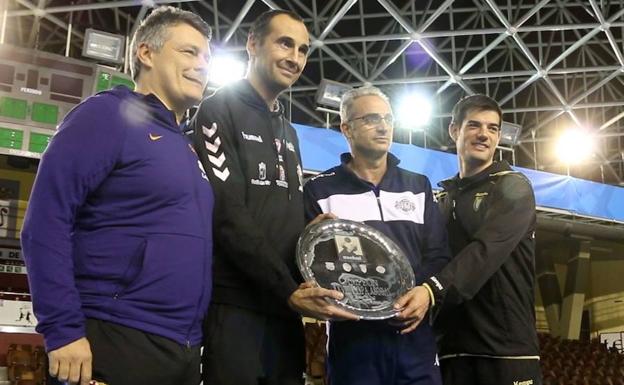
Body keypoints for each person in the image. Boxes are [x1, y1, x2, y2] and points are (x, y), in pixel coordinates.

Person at [21, 6, 214, 385]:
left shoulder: (188, 148)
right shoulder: (106, 115)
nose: (202, 65)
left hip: (183, 347)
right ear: (146, 53)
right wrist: (64, 329)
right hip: (113, 335)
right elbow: (46, 221)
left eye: (207, 57)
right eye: (189, 52)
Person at [190, 9, 354, 385]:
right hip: (236, 306)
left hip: (284, 310)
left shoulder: (288, 130)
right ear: (252, 44)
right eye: (285, 43)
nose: (295, 58)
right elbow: (228, 216)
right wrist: (288, 290)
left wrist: (307, 233)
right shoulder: (217, 110)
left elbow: (277, 214)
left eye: (302, 50)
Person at [303, 86, 451, 385]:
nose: (383, 126)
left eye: (388, 118)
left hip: (413, 334)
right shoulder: (319, 190)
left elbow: (438, 255)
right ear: (346, 128)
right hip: (354, 341)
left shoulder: (418, 185)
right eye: (371, 119)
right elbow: (311, 267)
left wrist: (421, 294)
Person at [420, 95, 542, 384]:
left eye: (492, 128)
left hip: (505, 352)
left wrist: (430, 291)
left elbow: (485, 252)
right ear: (454, 131)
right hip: (451, 350)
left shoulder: (513, 187)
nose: (484, 134)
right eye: (474, 125)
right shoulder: (443, 198)